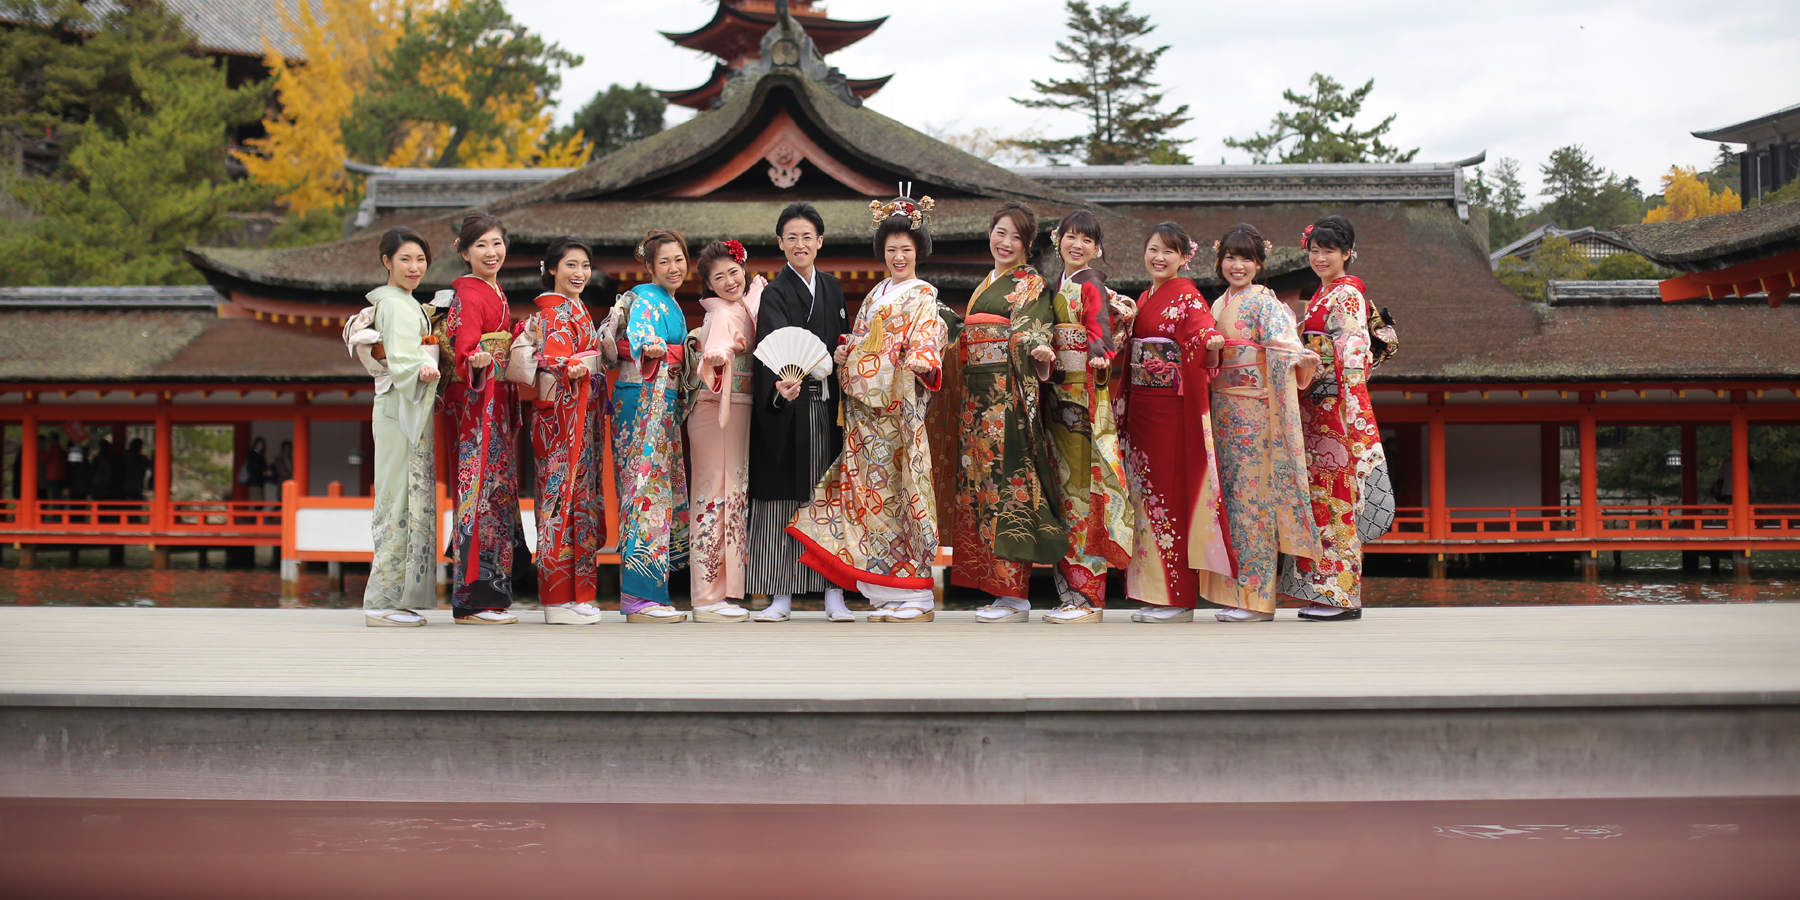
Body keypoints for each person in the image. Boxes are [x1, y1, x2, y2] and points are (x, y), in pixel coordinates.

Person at [788, 191, 951, 623]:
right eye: (891, 250)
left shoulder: (923, 297)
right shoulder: (878, 293)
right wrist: (845, 355)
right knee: (869, 501)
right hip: (864, 417)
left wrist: (907, 361)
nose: (898, 257)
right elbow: (862, 341)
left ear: (919, 252)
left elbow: (926, 346)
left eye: (906, 250)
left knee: (900, 495)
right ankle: (889, 593)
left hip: (895, 414)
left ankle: (916, 593)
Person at [1194, 224, 1322, 621]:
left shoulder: (1264, 302)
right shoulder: (1217, 305)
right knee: (1231, 503)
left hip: (1255, 416)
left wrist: (1298, 358)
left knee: (1256, 503)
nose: (1237, 265)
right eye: (1230, 257)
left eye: (1246, 258)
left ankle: (1258, 600)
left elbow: (1283, 345)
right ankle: (1236, 595)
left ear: (1259, 263)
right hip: (1224, 415)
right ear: (1220, 261)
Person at [951, 201, 1067, 623]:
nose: (1005, 242)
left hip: (1006, 398)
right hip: (975, 404)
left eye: (1015, 237)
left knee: (1007, 488)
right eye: (1000, 232)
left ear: (1028, 244)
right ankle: (997, 590)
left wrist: (1034, 347)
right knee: (981, 490)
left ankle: (1016, 595)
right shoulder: (986, 284)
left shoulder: (1031, 283)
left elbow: (1032, 328)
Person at [1119, 222, 1234, 622]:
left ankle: (1178, 598)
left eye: (1169, 251)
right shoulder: (1143, 297)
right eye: (1153, 249)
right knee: (1144, 499)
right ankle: (1154, 593)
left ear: (1185, 258)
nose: (1159, 258)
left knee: (1168, 498)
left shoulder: (1187, 296)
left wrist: (1209, 341)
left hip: (1169, 410)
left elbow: (1201, 331)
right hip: (1142, 413)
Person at [748, 202, 849, 623]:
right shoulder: (775, 292)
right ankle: (780, 593)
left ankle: (834, 592)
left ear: (820, 242)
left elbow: (842, 338)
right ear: (780, 244)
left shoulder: (832, 287)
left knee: (829, 495)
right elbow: (772, 353)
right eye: (792, 237)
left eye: (808, 236)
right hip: (789, 405)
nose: (800, 244)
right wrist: (780, 388)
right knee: (782, 497)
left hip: (826, 406)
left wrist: (840, 354)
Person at [1279, 215, 1384, 620]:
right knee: (1320, 501)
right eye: (1315, 250)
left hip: (1335, 409)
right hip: (1316, 409)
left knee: (1337, 500)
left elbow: (1355, 348)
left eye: (1329, 251)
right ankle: (1322, 592)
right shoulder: (1323, 295)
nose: (1320, 257)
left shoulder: (1347, 296)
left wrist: (1318, 355)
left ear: (1347, 254)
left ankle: (1342, 596)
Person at [1041, 211, 1132, 624]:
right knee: (1066, 494)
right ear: (1057, 239)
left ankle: (1088, 597)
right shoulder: (1058, 284)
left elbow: (1101, 331)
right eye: (1071, 237)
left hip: (1081, 397)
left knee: (1084, 492)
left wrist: (1099, 354)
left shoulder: (1090, 282)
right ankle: (1071, 594)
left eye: (1086, 241)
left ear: (1097, 249)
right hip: (1058, 397)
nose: (1077, 246)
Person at [445, 212, 523, 625]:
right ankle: (472, 600)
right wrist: (475, 360)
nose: (491, 253)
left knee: (496, 498)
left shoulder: (494, 290)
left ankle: (488, 596)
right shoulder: (470, 296)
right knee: (480, 497)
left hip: (495, 404)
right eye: (481, 246)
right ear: (464, 252)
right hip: (479, 408)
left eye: (496, 244)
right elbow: (465, 353)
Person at [362, 226, 442, 626]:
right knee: (396, 496)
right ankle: (380, 601)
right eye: (405, 259)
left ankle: (395, 596)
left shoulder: (409, 303)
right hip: (399, 402)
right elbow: (399, 358)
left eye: (421, 259)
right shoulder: (393, 305)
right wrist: (425, 368)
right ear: (386, 262)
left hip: (409, 403)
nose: (414, 267)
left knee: (407, 496)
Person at [527, 236, 608, 625]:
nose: (579, 273)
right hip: (560, 419)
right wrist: (568, 368)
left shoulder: (577, 309)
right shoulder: (553, 313)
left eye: (585, 266)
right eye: (571, 265)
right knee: (560, 500)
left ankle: (578, 594)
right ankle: (557, 599)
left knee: (580, 500)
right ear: (552, 270)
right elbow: (552, 360)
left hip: (581, 413)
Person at [615, 229, 692, 623]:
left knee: (656, 493)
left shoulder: (672, 304)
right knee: (644, 491)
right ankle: (638, 597)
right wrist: (652, 347)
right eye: (664, 261)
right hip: (643, 399)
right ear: (648, 266)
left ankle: (650, 593)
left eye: (679, 259)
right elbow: (642, 336)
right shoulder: (645, 298)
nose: (673, 267)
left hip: (659, 400)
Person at [685, 240, 763, 623]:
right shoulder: (720, 316)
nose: (730, 281)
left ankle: (718, 593)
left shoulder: (742, 308)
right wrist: (715, 359)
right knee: (713, 497)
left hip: (735, 412)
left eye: (734, 272)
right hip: (717, 410)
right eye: (720, 277)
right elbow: (714, 352)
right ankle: (705, 597)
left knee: (729, 495)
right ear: (709, 286)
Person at [244, 436, 270, 501]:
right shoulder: (253, 455)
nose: (261, 445)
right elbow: (253, 468)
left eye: (262, 444)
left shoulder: (259, 455)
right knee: (257, 502)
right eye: (259, 444)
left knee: (260, 501)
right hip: (255, 482)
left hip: (259, 482)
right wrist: (263, 472)